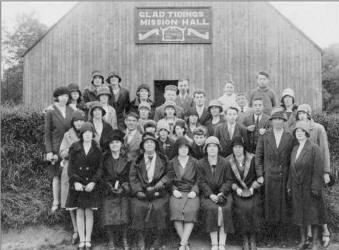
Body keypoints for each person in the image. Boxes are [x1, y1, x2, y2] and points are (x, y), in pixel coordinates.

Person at [255, 106, 295, 246]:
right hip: (268, 178)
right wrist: (260, 175)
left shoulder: (290, 137)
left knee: (283, 208)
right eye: (275, 119)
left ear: (284, 121)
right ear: (271, 121)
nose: (278, 121)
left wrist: (290, 178)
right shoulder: (265, 136)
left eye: (280, 119)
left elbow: (293, 159)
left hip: (284, 177)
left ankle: (282, 239)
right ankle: (270, 238)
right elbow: (258, 157)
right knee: (269, 207)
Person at [129, 133, 174, 250]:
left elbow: (169, 175)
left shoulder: (163, 159)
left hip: (158, 192)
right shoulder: (137, 160)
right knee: (138, 208)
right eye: (146, 143)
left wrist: (159, 185)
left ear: (155, 145)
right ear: (143, 146)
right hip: (142, 192)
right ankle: (140, 239)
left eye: (152, 143)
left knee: (159, 208)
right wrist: (139, 191)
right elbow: (133, 178)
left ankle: (158, 239)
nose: (149, 145)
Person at [296, 104, 332, 248]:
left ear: (309, 114)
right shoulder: (298, 129)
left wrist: (326, 172)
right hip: (304, 175)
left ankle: (325, 233)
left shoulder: (318, 128)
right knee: (307, 206)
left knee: (318, 205)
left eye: (304, 113)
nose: (301, 116)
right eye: (299, 113)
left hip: (316, 173)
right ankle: (310, 237)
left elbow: (324, 150)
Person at [287, 121, 325, 250]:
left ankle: (314, 242)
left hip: (310, 187)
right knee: (300, 214)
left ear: (307, 133)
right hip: (297, 187)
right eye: (297, 132)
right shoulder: (295, 149)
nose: (299, 134)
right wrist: (289, 185)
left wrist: (315, 187)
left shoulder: (314, 148)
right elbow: (291, 169)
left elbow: (318, 169)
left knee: (313, 215)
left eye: (302, 131)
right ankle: (303, 241)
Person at [66, 122, 103, 250]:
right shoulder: (75, 147)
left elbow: (100, 168)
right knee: (80, 211)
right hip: (78, 185)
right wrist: (75, 182)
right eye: (85, 133)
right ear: (82, 134)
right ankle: (81, 240)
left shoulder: (97, 148)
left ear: (93, 134)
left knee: (89, 212)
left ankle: (88, 240)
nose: (88, 135)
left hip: (91, 185)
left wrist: (93, 182)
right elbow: (70, 168)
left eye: (90, 133)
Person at [198, 136, 234, 250]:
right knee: (212, 209)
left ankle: (222, 243)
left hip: (223, 194)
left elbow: (229, 180)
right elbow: (201, 182)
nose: (212, 149)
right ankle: (214, 243)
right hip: (208, 195)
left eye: (215, 146)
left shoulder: (225, 162)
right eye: (209, 146)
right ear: (206, 149)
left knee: (225, 209)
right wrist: (210, 195)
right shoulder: (200, 163)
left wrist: (221, 193)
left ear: (218, 148)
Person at [226, 136, 263, 250]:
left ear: (243, 148)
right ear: (232, 148)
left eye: (240, 147)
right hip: (238, 192)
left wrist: (253, 187)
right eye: (235, 147)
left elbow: (260, 178)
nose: (237, 149)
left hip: (252, 191)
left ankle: (252, 238)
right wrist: (237, 189)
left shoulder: (252, 158)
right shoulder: (228, 161)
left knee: (254, 207)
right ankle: (244, 238)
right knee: (242, 208)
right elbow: (228, 180)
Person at [44, 86, 74, 212]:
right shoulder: (50, 111)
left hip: (68, 147)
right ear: (57, 97)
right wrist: (49, 151)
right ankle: (55, 202)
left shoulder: (71, 110)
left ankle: (66, 201)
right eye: (62, 96)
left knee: (67, 174)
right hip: (56, 148)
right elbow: (47, 133)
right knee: (56, 176)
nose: (64, 98)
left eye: (66, 96)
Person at [101, 129, 132, 250]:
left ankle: (124, 239)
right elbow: (101, 176)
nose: (115, 145)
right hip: (108, 191)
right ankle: (111, 240)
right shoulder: (104, 159)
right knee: (107, 206)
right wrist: (109, 187)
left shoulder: (127, 159)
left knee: (124, 207)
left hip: (123, 190)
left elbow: (130, 177)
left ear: (121, 144)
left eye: (117, 142)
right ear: (109, 145)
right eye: (112, 143)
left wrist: (123, 187)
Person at [59, 110, 86, 245]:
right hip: (71, 168)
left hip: (86, 170)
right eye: (76, 121)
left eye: (81, 120)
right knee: (71, 200)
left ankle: (86, 231)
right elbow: (62, 152)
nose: (79, 123)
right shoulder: (67, 135)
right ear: (73, 122)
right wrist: (71, 151)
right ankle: (76, 229)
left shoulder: (88, 132)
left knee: (85, 200)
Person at [169, 137, 200, 250]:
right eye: (181, 148)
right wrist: (173, 190)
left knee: (190, 211)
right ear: (177, 149)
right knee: (175, 211)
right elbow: (169, 180)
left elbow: (199, 179)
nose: (183, 150)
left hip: (191, 192)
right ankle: (185, 243)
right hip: (177, 192)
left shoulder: (195, 162)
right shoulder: (172, 162)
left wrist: (194, 191)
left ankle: (182, 244)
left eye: (186, 148)